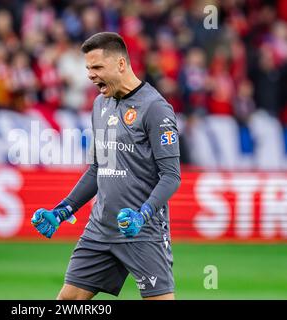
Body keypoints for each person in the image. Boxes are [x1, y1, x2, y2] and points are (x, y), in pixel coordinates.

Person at [31, 32, 181, 300]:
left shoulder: (155, 108)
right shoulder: (100, 104)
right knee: (68, 300)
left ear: (121, 64)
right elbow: (98, 168)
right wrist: (62, 210)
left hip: (142, 231)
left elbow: (171, 176)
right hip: (100, 229)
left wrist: (142, 215)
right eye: (88, 68)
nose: (90, 74)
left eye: (97, 67)